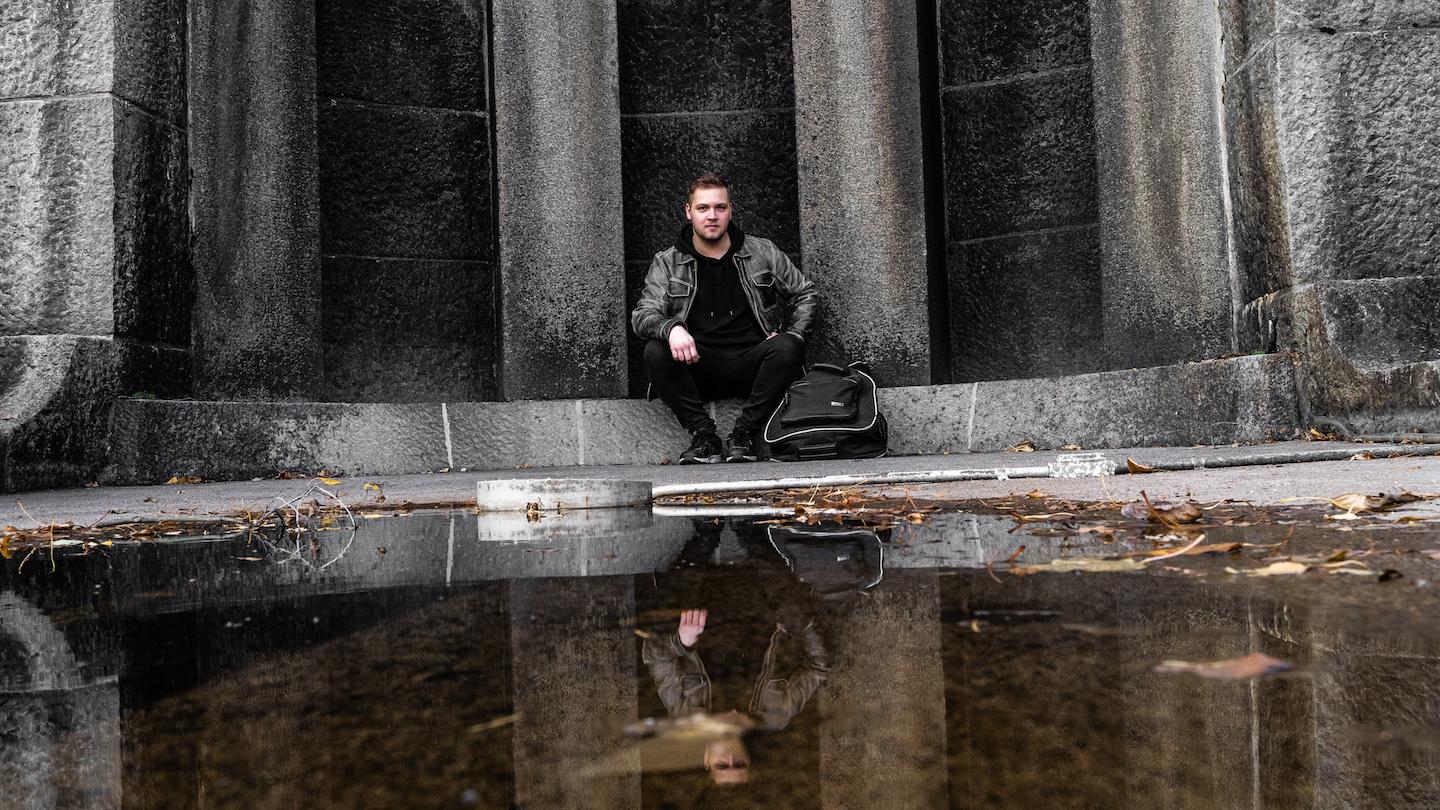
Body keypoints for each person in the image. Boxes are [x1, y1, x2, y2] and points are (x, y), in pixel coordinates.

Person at [631, 173, 817, 464]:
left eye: (720, 207)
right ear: (688, 212)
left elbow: (805, 292)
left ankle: (744, 435)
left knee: (788, 346)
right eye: (703, 208)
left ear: (731, 209)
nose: (712, 216)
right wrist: (671, 328)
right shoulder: (667, 263)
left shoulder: (762, 252)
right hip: (697, 366)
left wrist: (794, 332)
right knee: (655, 351)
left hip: (753, 366)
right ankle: (704, 436)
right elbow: (643, 314)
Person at [641, 608, 829, 786]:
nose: (731, 758)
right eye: (739, 764)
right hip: (767, 605)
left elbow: (655, 658)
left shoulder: (685, 716)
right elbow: (819, 669)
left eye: (722, 765)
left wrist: (680, 642)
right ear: (748, 759)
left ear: (707, 760)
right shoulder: (776, 717)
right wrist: (802, 627)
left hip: (697, 604)